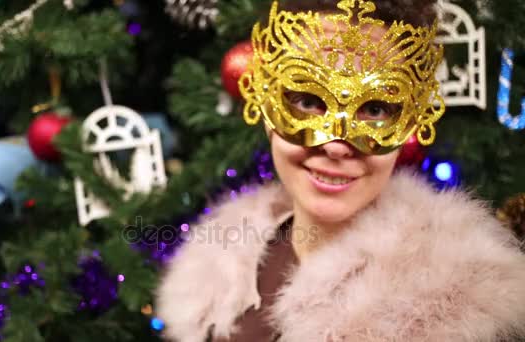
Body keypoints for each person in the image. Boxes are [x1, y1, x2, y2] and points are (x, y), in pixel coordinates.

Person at [155, 0, 525, 341]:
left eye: (376, 109)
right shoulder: (215, 275)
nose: (334, 144)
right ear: (265, 104)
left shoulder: (467, 312)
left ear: (413, 120)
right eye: (307, 101)